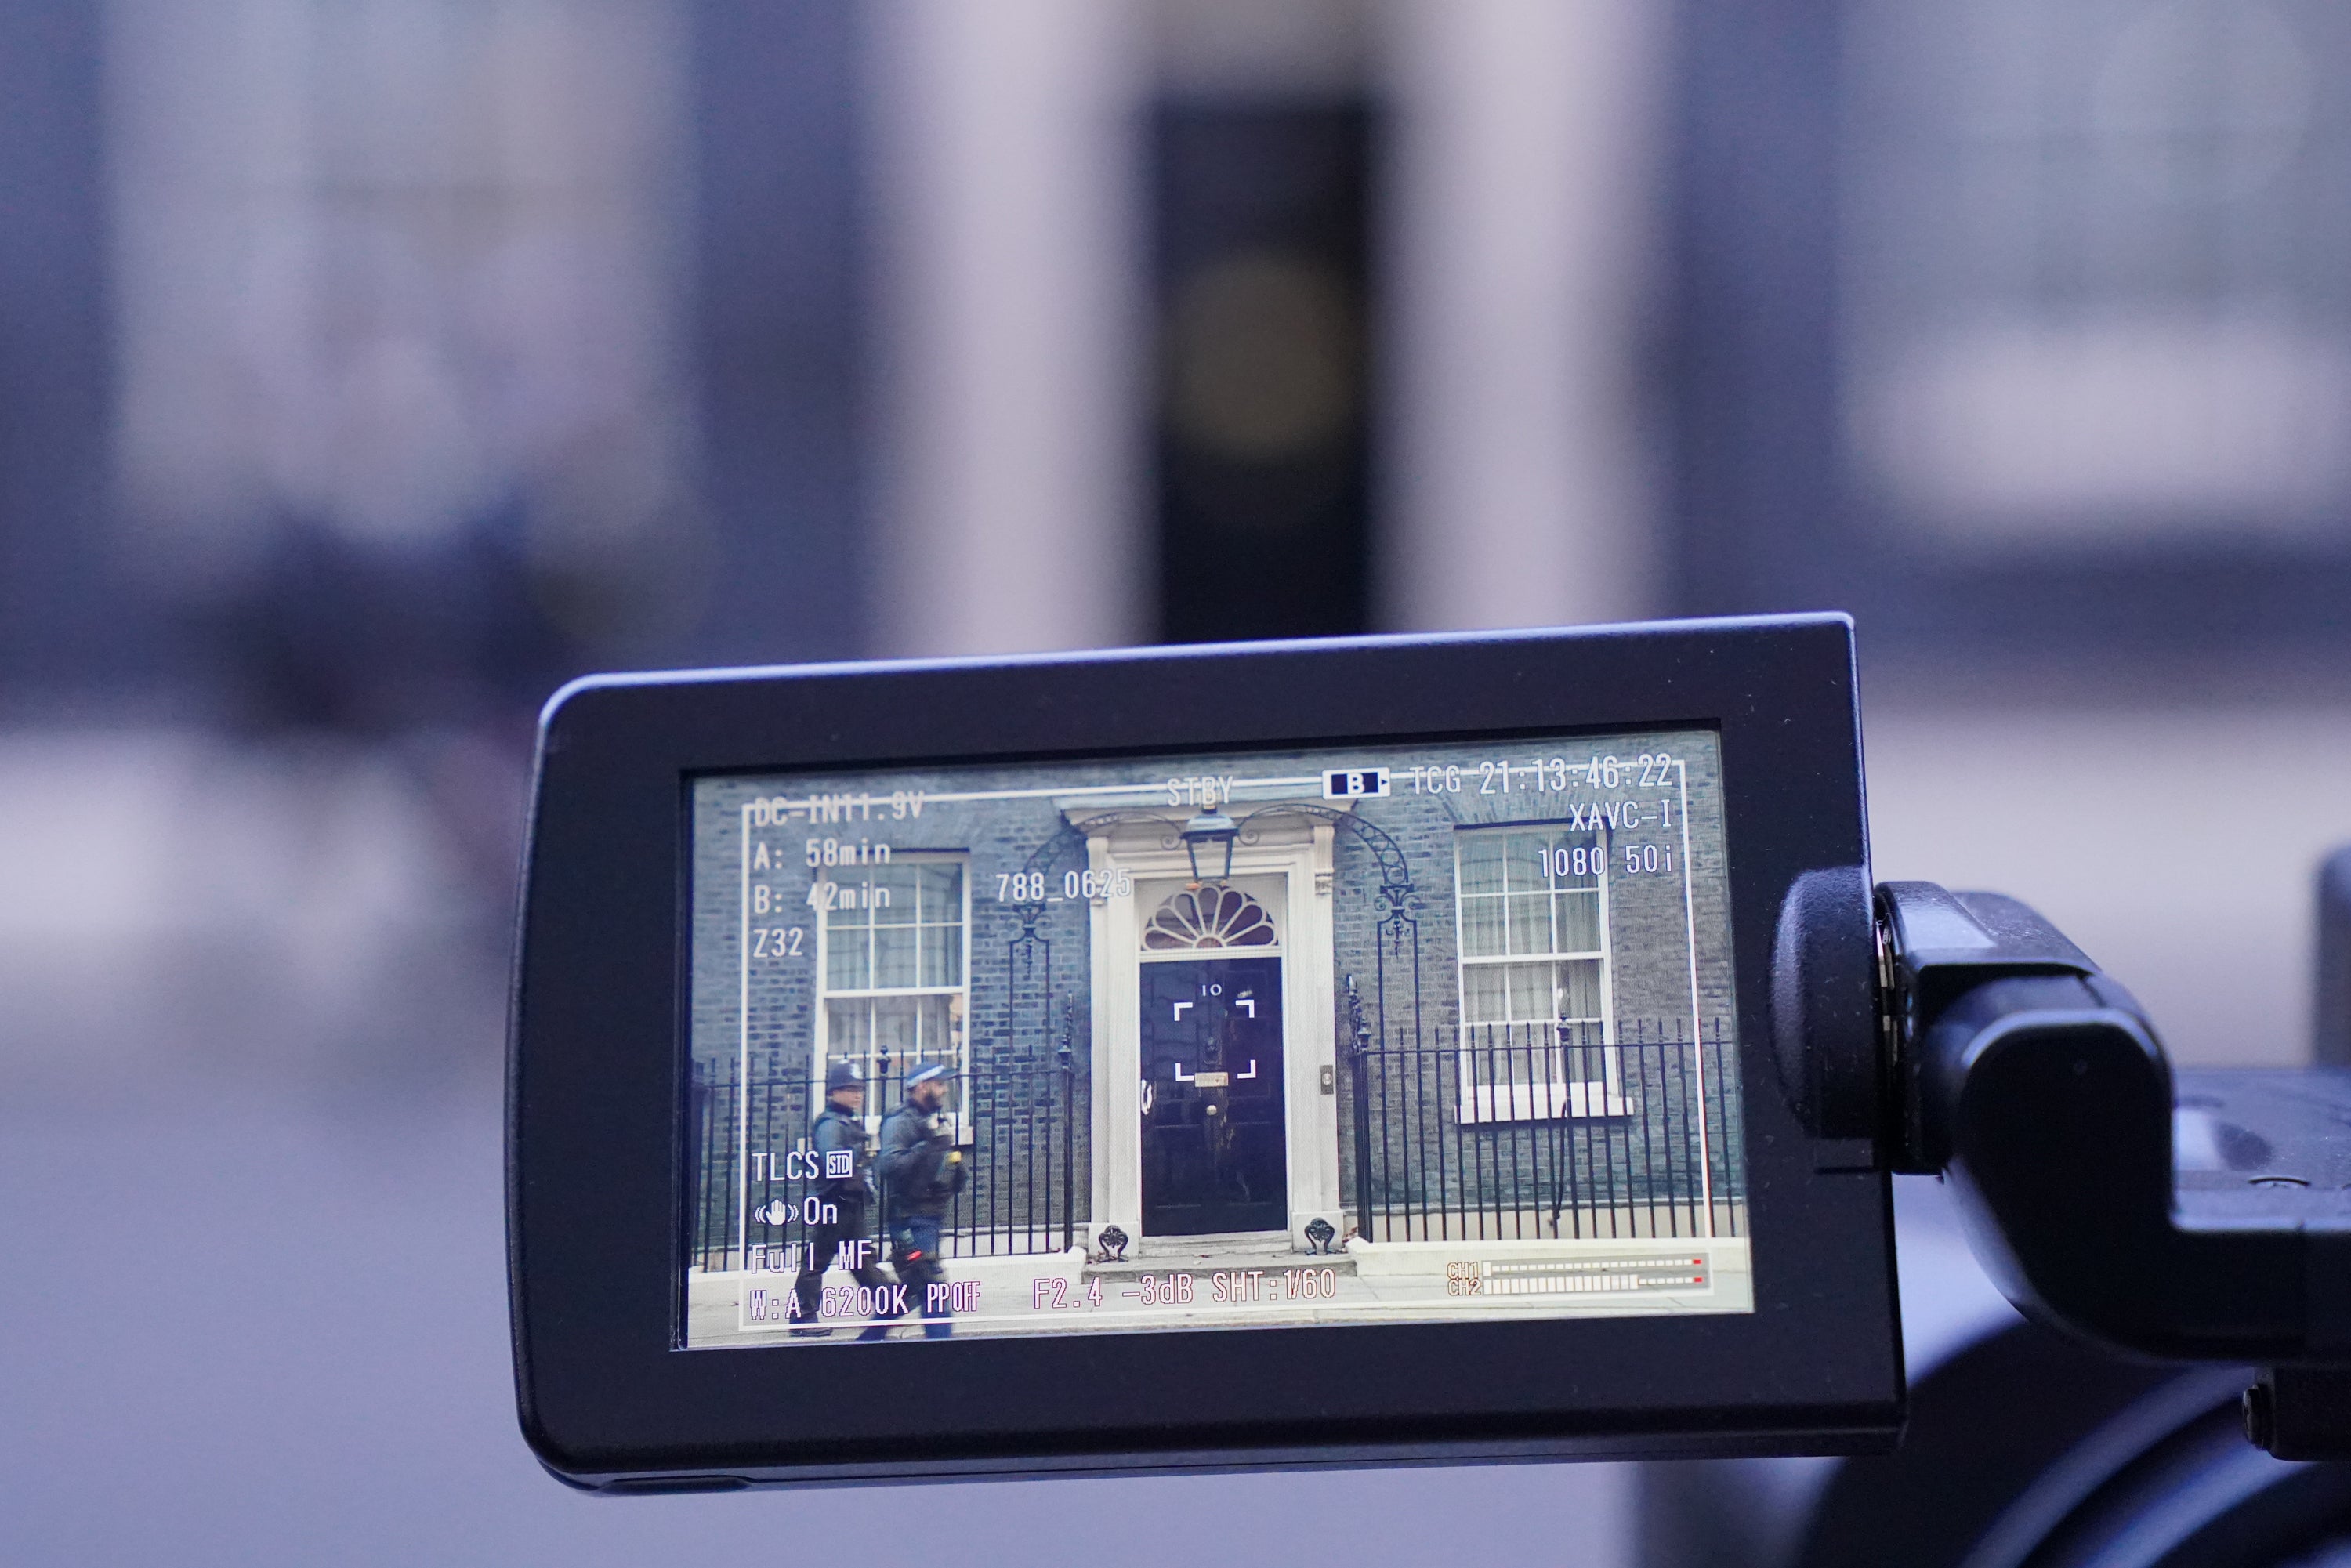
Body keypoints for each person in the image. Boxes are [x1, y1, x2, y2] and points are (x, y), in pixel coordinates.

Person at [789, 1060, 901, 1339]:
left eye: (859, 1089)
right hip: (833, 1202)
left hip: (848, 1201)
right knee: (818, 1258)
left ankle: (887, 1299)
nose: (857, 1095)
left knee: (860, 1255)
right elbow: (832, 1162)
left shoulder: (845, 1121)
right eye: (849, 1089)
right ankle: (802, 1316)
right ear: (833, 1093)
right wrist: (857, 1150)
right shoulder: (830, 1124)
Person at [876, 1060, 967, 1339]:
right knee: (933, 1287)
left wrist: (955, 1167)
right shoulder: (900, 1121)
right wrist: (926, 1147)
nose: (943, 1090)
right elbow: (888, 1165)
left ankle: (867, 1340)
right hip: (910, 1219)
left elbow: (941, 1164)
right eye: (938, 1084)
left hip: (929, 1216)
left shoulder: (933, 1120)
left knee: (914, 1288)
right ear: (921, 1087)